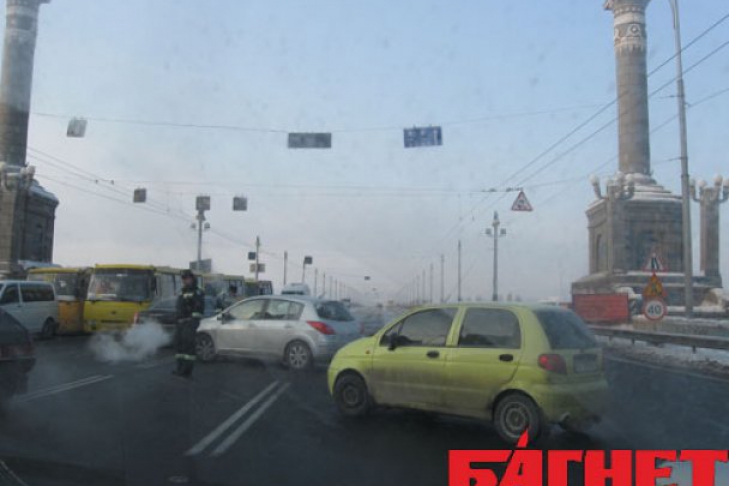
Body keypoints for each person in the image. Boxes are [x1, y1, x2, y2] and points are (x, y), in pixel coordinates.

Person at [173, 269, 205, 378]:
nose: (184, 280)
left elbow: (198, 309)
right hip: (180, 323)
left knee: (188, 348)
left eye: (186, 278)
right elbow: (179, 307)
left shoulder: (197, 291)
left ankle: (187, 372)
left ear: (191, 278)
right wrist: (177, 319)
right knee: (179, 346)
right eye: (183, 279)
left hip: (189, 323)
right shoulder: (182, 291)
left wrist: (191, 320)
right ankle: (180, 369)